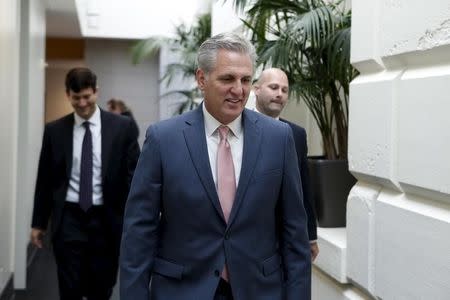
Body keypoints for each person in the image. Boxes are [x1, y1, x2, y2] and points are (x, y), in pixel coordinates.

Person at [120, 33, 311, 300]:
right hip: (182, 290)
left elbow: (295, 233)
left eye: (246, 80)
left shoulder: (278, 138)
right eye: (227, 79)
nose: (239, 89)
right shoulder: (163, 139)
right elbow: (139, 232)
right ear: (201, 79)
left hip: (259, 289)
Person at [30, 67, 140, 300]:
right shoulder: (54, 131)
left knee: (102, 287)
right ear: (68, 94)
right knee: (69, 288)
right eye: (76, 97)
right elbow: (45, 179)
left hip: (107, 219)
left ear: (96, 92)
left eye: (87, 96)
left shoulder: (122, 128)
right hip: (69, 218)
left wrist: (134, 220)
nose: (82, 103)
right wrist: (38, 222)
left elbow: (134, 176)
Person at [253, 67, 319, 261]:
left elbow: (303, 187)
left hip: (284, 239)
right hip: (246, 236)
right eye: (273, 87)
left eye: (284, 90)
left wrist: (311, 236)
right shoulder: (238, 127)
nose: (279, 94)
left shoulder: (296, 134)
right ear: (257, 89)